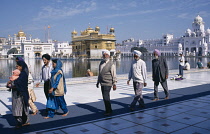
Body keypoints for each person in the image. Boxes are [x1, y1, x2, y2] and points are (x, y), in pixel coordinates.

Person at [7, 60, 30, 129]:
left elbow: (18, 83)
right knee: (21, 109)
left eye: (18, 66)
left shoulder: (23, 74)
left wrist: (11, 83)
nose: (16, 67)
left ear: (21, 67)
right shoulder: (20, 73)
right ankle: (23, 122)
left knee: (18, 109)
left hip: (20, 94)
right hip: (20, 94)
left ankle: (20, 123)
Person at [96, 50, 117, 116]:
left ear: (109, 56)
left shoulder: (111, 64)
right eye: (104, 55)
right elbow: (99, 73)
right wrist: (98, 82)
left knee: (106, 97)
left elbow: (114, 74)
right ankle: (109, 109)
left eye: (106, 55)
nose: (105, 56)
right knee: (105, 97)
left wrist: (114, 84)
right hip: (102, 83)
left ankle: (108, 111)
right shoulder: (101, 63)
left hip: (108, 82)